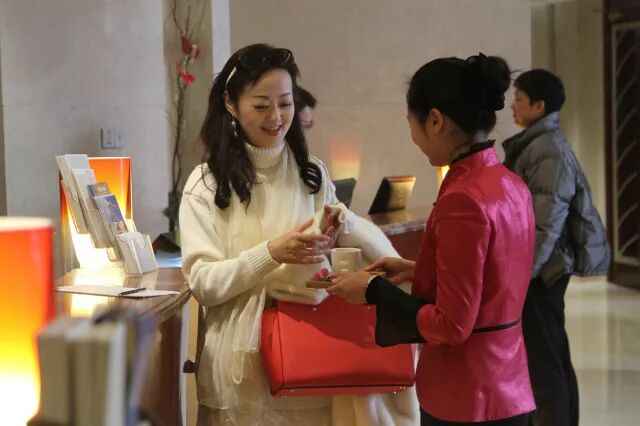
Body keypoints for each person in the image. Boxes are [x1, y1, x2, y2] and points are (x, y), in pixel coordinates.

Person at [179, 43, 418, 425]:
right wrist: (272, 253)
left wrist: (337, 240)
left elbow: (336, 268)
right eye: (261, 105)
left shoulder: (312, 175)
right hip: (240, 377)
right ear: (230, 103)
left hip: (313, 363)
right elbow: (204, 284)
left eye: (285, 103)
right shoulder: (207, 185)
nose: (276, 117)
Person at [327, 54, 537, 425]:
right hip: (509, 383)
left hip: (466, 394)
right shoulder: (510, 183)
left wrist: (373, 290)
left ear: (436, 121)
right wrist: (417, 269)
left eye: (412, 124)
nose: (414, 138)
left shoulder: (463, 198)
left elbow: (451, 325)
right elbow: (493, 278)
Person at [503, 69, 610, 426]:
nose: (513, 106)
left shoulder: (547, 148)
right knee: (551, 356)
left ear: (539, 106)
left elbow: (545, 222)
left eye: (519, 99)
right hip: (544, 267)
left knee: (545, 362)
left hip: (543, 270)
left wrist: (523, 275)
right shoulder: (539, 144)